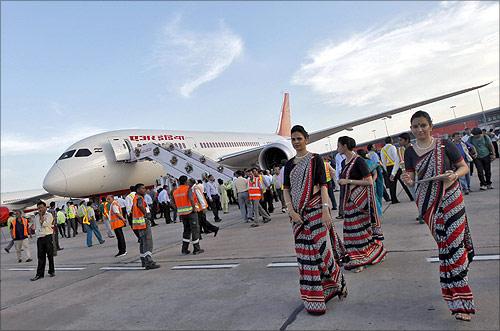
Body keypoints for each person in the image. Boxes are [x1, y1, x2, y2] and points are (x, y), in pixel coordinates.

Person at [402, 110, 475, 322]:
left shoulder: (444, 145)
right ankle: (456, 290)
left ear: (431, 126)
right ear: (411, 128)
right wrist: (408, 178)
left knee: (454, 247)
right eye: (415, 126)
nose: (420, 129)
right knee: (446, 248)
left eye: (423, 125)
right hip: (428, 204)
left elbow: (463, 167)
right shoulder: (409, 152)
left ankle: (462, 301)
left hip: (451, 198)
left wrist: (454, 174)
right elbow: (412, 178)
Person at [283, 125, 347, 315]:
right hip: (297, 216)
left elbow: (324, 186)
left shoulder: (315, 159)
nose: (296, 142)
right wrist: (291, 211)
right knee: (305, 256)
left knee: (321, 251)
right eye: (293, 139)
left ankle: (337, 282)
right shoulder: (289, 165)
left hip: (315, 209)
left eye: (299, 138)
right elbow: (286, 189)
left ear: (306, 139)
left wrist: (326, 210)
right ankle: (314, 297)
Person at [337, 136, 386, 272]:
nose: (337, 148)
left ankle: (362, 257)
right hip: (348, 201)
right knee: (350, 231)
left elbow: (369, 182)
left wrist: (349, 182)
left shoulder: (358, 161)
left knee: (359, 231)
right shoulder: (343, 163)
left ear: (345, 146)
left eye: (339, 145)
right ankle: (356, 256)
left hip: (359, 201)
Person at [173, 176, 204, 255]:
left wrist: (178, 209)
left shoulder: (175, 191)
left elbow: (172, 202)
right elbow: (191, 199)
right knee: (195, 230)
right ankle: (196, 249)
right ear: (186, 181)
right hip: (190, 212)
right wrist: (194, 208)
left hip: (182, 214)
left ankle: (184, 249)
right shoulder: (188, 189)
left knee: (186, 231)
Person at [132, 183, 160, 269]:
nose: (144, 190)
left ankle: (143, 261)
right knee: (148, 242)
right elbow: (140, 205)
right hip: (143, 223)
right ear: (138, 190)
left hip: (138, 224)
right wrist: (146, 214)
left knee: (143, 243)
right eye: (142, 188)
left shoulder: (135, 198)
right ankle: (149, 262)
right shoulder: (139, 198)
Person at [398, 132, 424, 223]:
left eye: (401, 140)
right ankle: (422, 213)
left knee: (417, 196)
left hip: (415, 176)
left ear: (406, 140)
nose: (399, 142)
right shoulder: (409, 149)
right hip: (412, 175)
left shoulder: (410, 150)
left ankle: (422, 215)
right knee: (417, 196)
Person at [381, 136, 414, 203]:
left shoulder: (382, 149)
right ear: (391, 141)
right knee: (404, 182)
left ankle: (394, 200)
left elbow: (383, 161)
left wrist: (386, 170)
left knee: (392, 185)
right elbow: (396, 158)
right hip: (396, 166)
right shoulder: (392, 147)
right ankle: (411, 196)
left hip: (388, 167)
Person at [31, 201, 55, 281]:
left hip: (47, 237)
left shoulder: (49, 215)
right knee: (40, 257)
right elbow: (35, 226)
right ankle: (39, 274)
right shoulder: (36, 217)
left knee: (50, 255)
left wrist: (41, 216)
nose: (40, 209)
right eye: (38, 208)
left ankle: (51, 271)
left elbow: (45, 224)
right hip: (40, 238)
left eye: (41, 207)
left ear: (45, 207)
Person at [357, 150, 384, 218]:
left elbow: (375, 173)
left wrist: (372, 182)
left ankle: (376, 214)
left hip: (370, 184)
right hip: (364, 184)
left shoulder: (368, 162)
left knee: (374, 200)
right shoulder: (359, 163)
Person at [334, 152, 346, 219]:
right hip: (342, 175)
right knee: (342, 196)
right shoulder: (337, 155)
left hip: (350, 174)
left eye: (339, 146)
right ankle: (341, 213)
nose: (337, 148)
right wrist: (338, 178)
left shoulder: (352, 153)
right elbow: (337, 166)